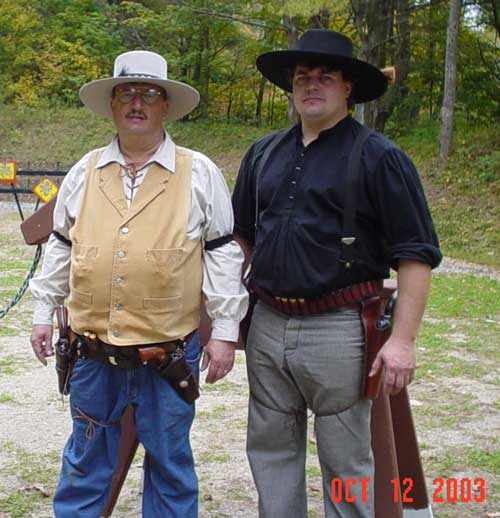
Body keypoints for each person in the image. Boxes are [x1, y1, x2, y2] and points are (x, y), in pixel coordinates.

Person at [232, 30, 441, 518]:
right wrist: (222, 316)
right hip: (267, 325)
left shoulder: (381, 158)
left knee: (347, 464)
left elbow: (415, 256)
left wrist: (403, 341)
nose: (312, 85)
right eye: (303, 77)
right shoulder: (262, 153)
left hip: (339, 329)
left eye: (325, 76)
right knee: (270, 453)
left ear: (348, 87)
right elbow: (240, 240)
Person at [29, 50, 248, 517]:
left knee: (170, 464)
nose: (137, 103)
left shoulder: (199, 172)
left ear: (165, 106)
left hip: (168, 355)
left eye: (149, 94)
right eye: (127, 93)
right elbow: (62, 247)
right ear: (112, 104)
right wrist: (41, 314)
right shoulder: (84, 171)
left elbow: (222, 255)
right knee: (85, 462)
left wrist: (226, 332)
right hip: (91, 352)